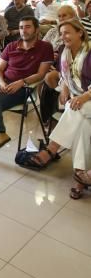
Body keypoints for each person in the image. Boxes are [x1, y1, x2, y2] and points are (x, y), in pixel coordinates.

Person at [20, 20, 91, 200]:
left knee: (75, 107)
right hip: (80, 102)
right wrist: (66, 87)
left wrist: (83, 97)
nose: (63, 37)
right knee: (82, 125)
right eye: (61, 33)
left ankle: (52, 149)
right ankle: (81, 177)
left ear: (80, 33)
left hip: (86, 98)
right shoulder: (64, 53)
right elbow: (65, 77)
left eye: (67, 32)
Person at [0, 16, 54, 169]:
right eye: (22, 27)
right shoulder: (11, 46)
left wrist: (21, 82)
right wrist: (2, 83)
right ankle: (0, 132)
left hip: (23, 88)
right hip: (3, 81)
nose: (24, 30)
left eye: (28, 27)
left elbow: (41, 74)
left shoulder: (45, 47)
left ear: (36, 29)